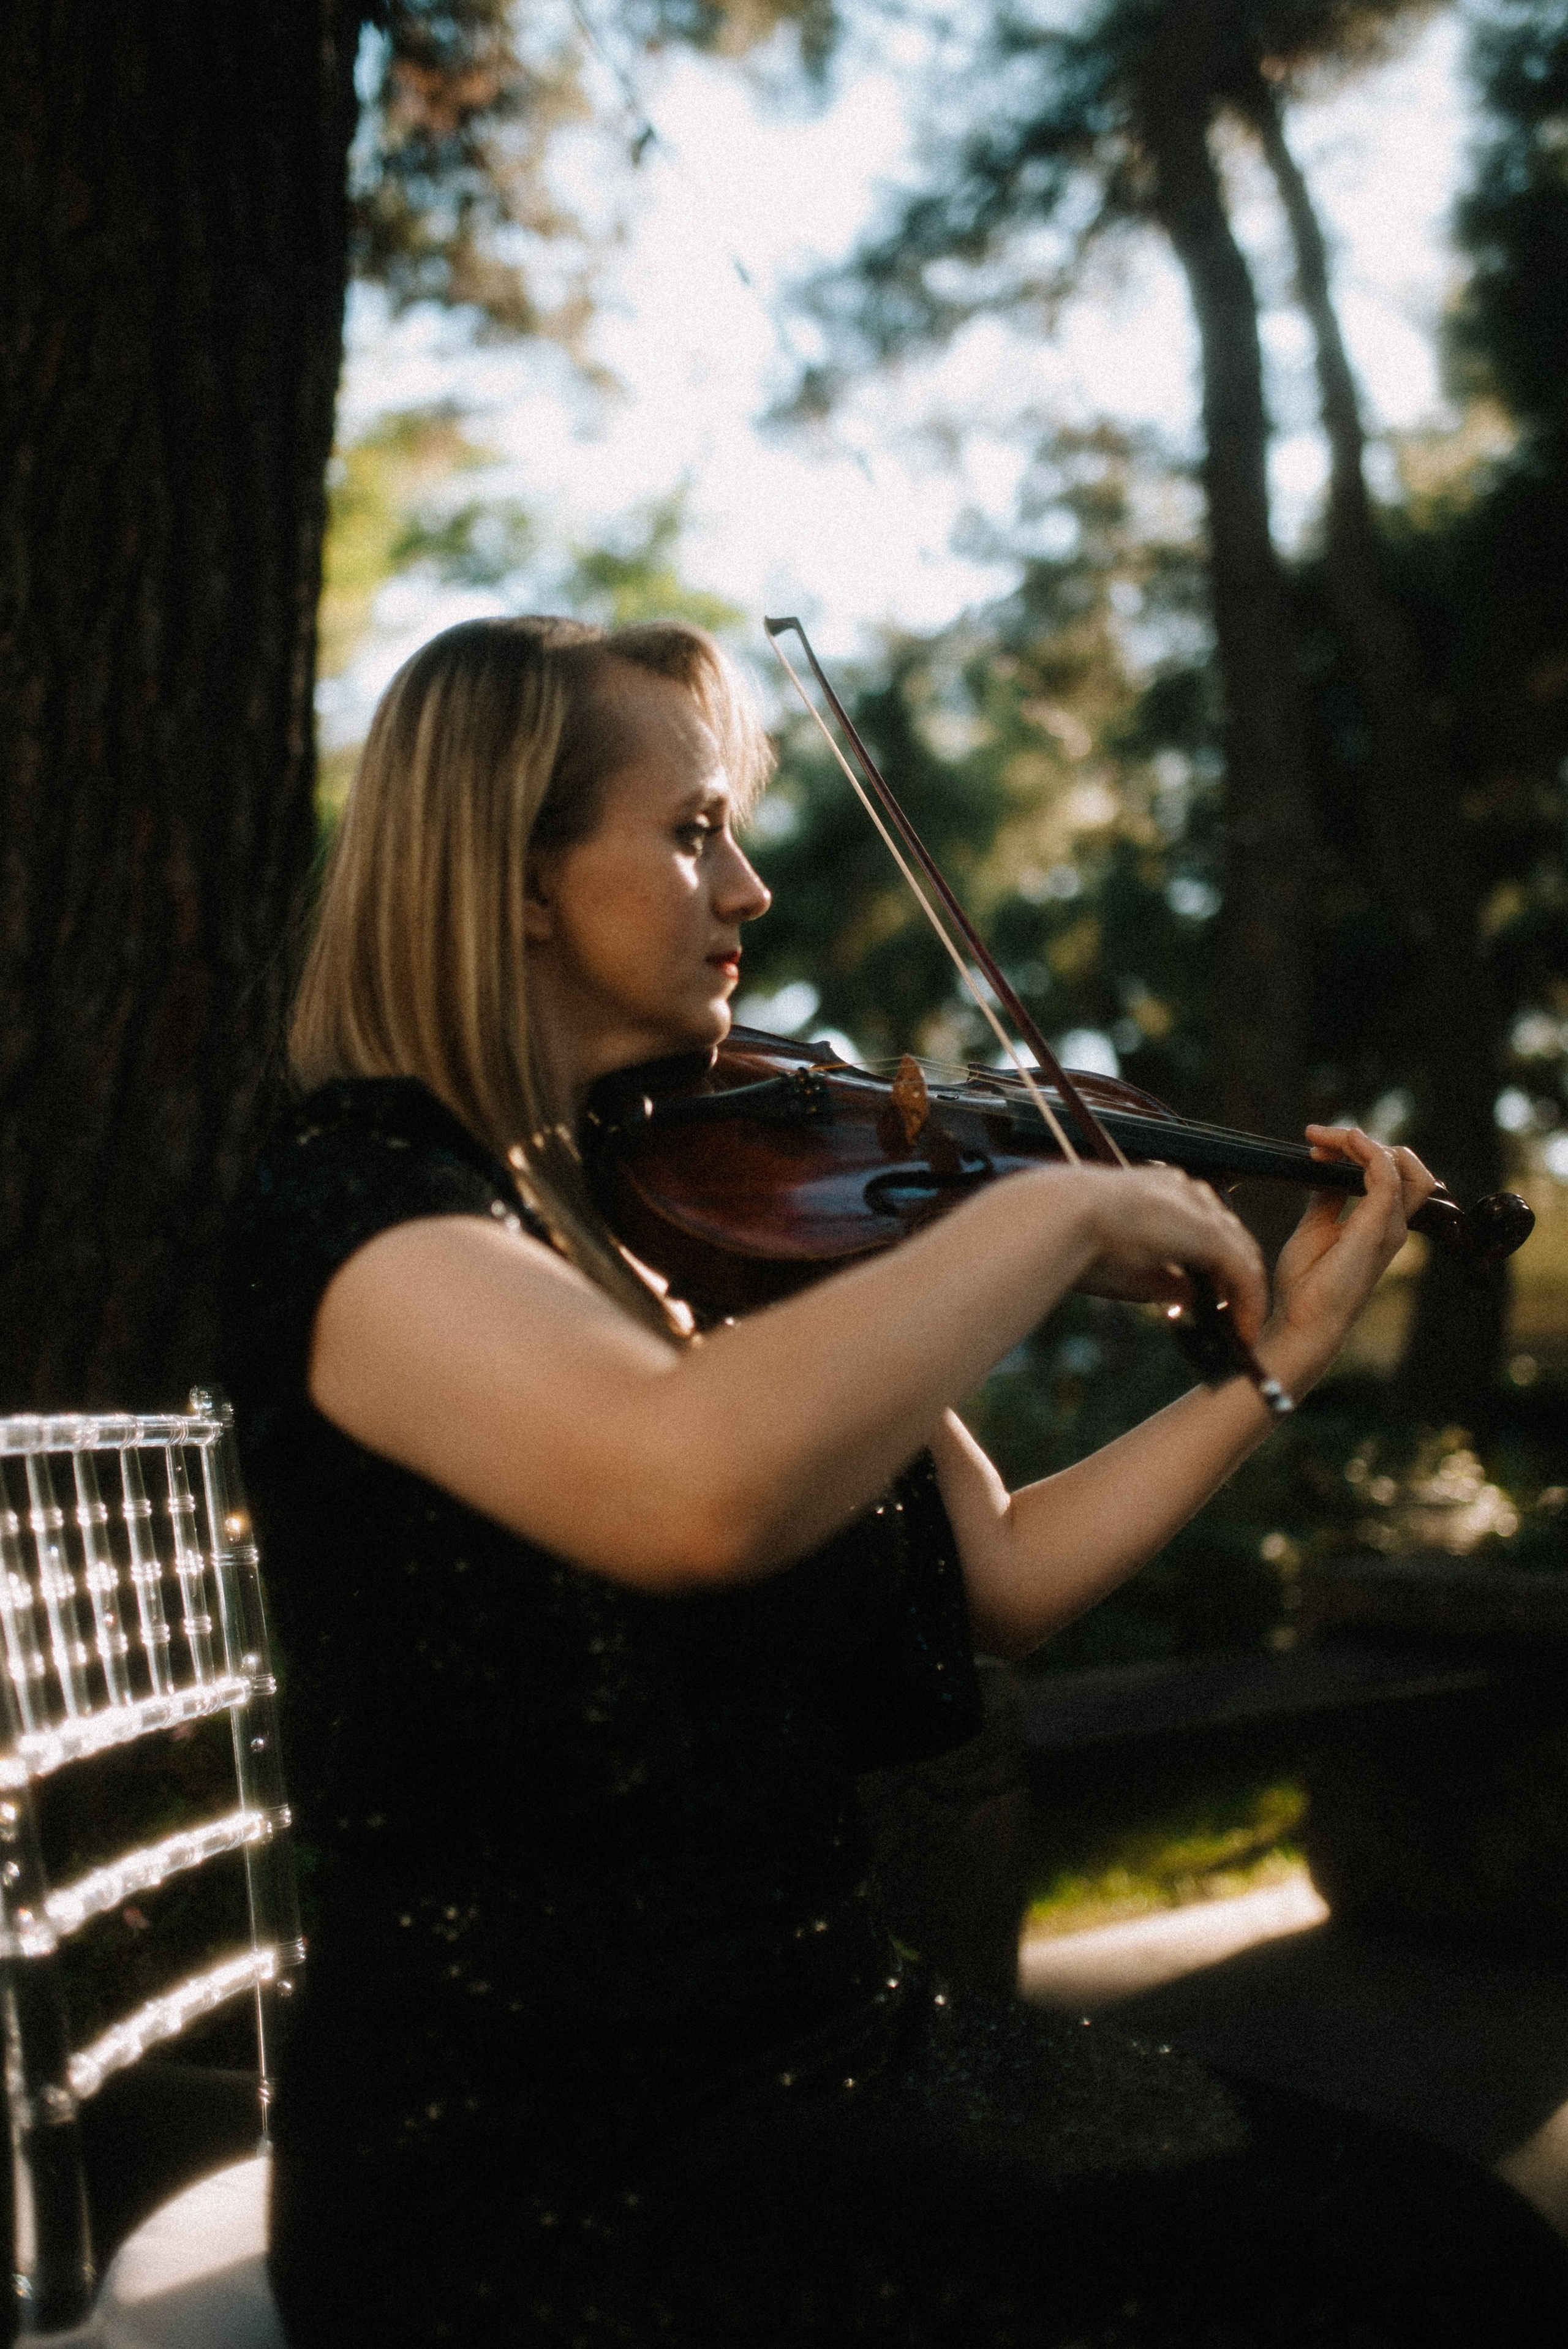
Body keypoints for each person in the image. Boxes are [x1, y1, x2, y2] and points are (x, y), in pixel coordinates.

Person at [221, 614, 1568, 2348]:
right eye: (694, 830)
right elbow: (691, 1488)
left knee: (1453, 2242)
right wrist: (1052, 1210)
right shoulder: (364, 1213)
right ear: (519, 874)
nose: (752, 886)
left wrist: (1273, 1365)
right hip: (545, 2158)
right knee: (1418, 2288)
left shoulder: (680, 1234)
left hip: (829, 2047)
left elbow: (999, 1571)